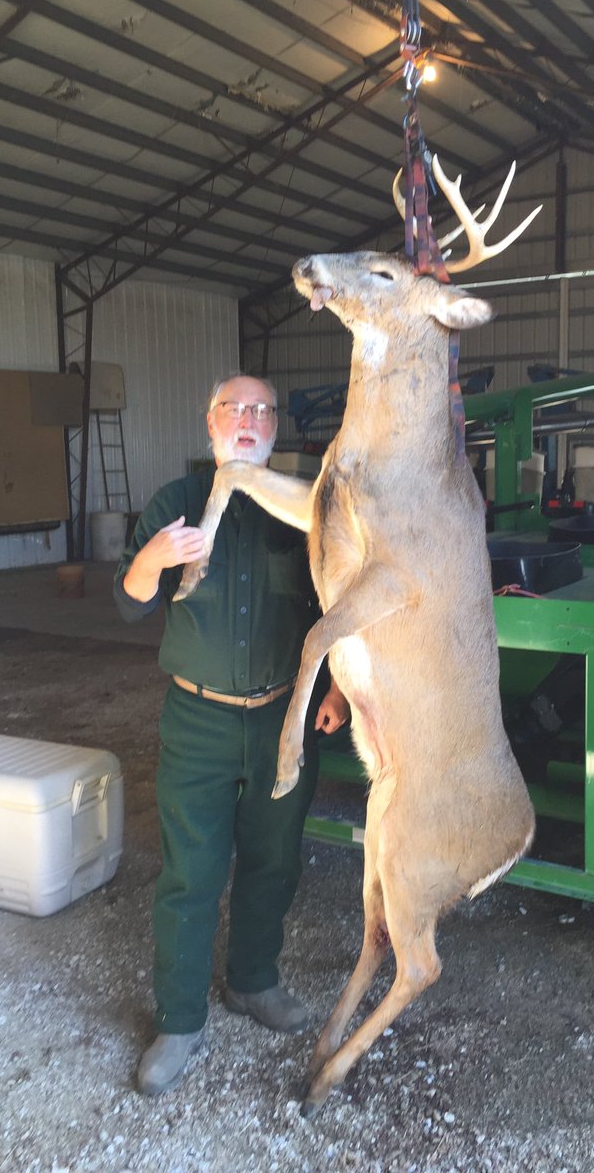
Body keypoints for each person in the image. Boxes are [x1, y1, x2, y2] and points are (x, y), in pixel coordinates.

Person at [114, 373, 348, 1096]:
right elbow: (129, 603)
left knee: (274, 862)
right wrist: (152, 560)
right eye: (233, 408)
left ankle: (253, 980)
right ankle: (179, 1020)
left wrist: (338, 686)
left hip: (284, 719)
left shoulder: (304, 509)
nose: (246, 419)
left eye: (261, 410)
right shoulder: (176, 503)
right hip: (198, 721)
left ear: (276, 426)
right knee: (191, 872)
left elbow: (337, 602)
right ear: (210, 422)